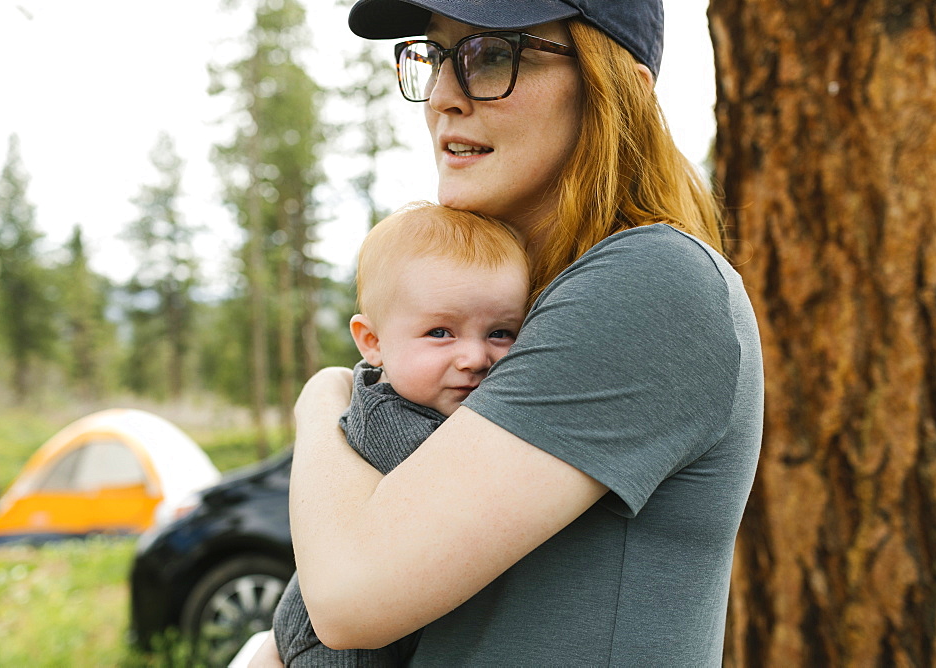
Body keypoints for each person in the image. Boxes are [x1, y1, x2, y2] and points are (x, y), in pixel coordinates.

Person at [251, 1, 763, 665]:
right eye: (435, 56)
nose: (441, 97)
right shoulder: (539, 312)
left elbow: (349, 597)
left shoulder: (654, 281)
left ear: (618, 88)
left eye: (492, 55)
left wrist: (321, 399)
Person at [270, 202, 529, 666]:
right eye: (440, 332)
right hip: (333, 649)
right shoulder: (385, 416)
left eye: (501, 332)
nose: (474, 357)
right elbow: (466, 485)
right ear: (372, 342)